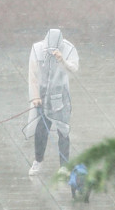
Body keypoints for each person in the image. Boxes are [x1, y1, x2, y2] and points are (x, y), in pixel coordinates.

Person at [26, 29, 79, 176]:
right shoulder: (37, 49)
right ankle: (38, 160)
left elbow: (74, 68)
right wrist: (35, 96)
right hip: (43, 97)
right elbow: (33, 75)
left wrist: (62, 60)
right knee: (41, 130)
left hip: (61, 97)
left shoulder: (69, 49)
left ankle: (64, 166)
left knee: (63, 130)